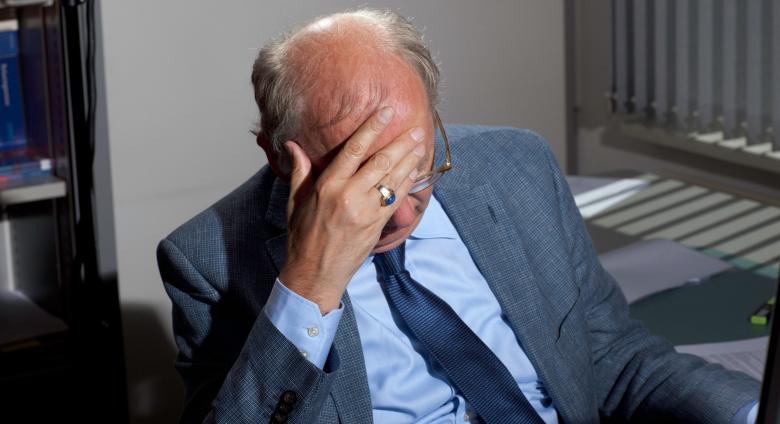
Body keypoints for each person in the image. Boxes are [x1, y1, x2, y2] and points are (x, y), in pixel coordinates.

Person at [157, 8, 760, 424]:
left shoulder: (517, 165)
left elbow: (613, 358)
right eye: (360, 177)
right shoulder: (206, 259)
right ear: (276, 155)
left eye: (416, 164)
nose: (396, 211)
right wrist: (312, 281)